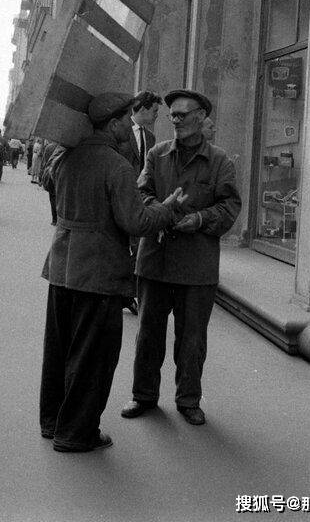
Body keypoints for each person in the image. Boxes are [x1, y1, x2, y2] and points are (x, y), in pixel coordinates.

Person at [39, 92, 187, 453]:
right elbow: (136, 222)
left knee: (59, 350)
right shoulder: (116, 165)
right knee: (93, 357)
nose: (128, 125)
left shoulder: (67, 156)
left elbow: (49, 184)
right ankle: (76, 433)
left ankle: (53, 422)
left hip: (62, 266)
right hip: (98, 271)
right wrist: (168, 209)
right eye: (125, 120)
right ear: (115, 124)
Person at [121, 89, 241, 426]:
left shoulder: (220, 161)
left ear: (201, 117)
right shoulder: (157, 154)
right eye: (172, 114)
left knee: (192, 339)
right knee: (148, 334)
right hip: (155, 259)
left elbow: (230, 206)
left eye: (182, 114)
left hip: (196, 264)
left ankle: (188, 400)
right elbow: (141, 193)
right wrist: (162, 211)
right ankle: (143, 395)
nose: (175, 120)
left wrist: (200, 219)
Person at [119, 90, 163, 315]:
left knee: (137, 245)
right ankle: (121, 291)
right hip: (120, 196)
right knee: (121, 245)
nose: (156, 116)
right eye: (154, 111)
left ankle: (130, 293)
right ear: (143, 108)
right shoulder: (121, 130)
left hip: (140, 198)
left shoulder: (151, 138)